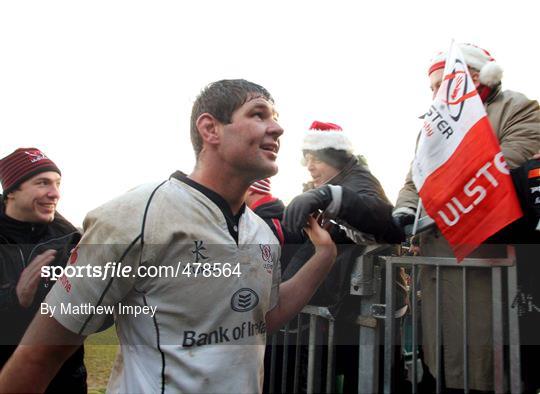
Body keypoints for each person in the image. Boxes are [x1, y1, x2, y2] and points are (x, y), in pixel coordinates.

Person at [0, 79, 337, 394]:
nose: (277, 128)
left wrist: (324, 256)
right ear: (210, 129)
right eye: (258, 114)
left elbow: (258, 321)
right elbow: (40, 356)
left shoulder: (261, 233)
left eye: (275, 118)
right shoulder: (135, 217)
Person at [394, 43, 540, 392]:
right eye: (431, 87)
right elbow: (415, 178)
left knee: (481, 358)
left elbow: (509, 160)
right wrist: (405, 209)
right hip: (436, 259)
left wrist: (440, 198)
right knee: (442, 356)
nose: (434, 94)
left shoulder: (517, 108)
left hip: (481, 253)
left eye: (440, 85)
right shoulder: (431, 126)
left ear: (470, 77)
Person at [282, 121, 405, 392]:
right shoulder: (317, 188)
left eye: (317, 159)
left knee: (369, 377)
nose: (310, 166)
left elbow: (380, 220)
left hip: (369, 307)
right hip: (343, 308)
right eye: (307, 159)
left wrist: (330, 196)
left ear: (335, 157)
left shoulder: (359, 181)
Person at [0, 147, 87, 393]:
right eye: (42, 183)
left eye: (58, 183)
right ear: (12, 191)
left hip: (63, 381)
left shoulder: (71, 240)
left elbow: (93, 320)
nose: (54, 193)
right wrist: (14, 299)